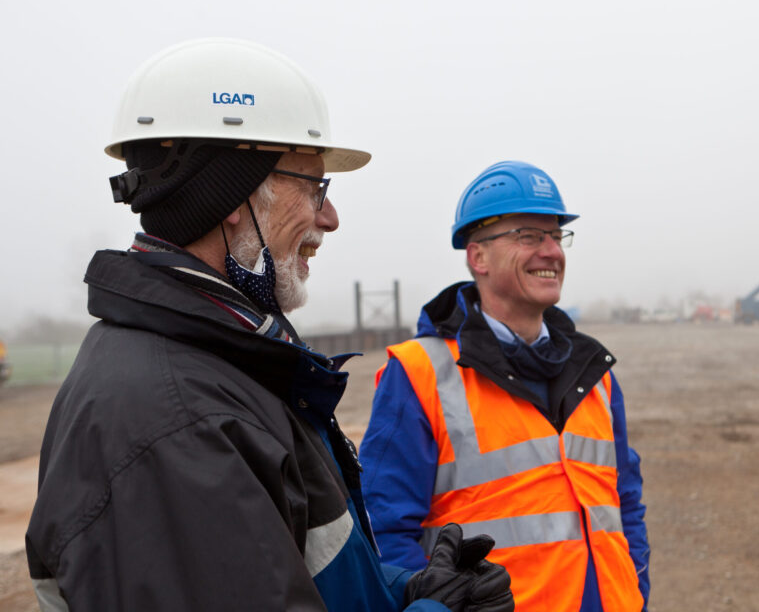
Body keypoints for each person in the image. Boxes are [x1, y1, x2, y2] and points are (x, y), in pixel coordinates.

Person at [25, 38, 513, 612]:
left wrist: (406, 592)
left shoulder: (220, 362)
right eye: (315, 187)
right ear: (232, 195)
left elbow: (293, 574)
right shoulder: (179, 422)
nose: (329, 218)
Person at [359, 161, 651, 611]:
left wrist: (638, 596)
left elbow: (625, 507)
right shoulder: (420, 374)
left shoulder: (596, 374)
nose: (552, 251)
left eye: (556, 236)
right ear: (478, 257)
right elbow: (383, 535)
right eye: (529, 236)